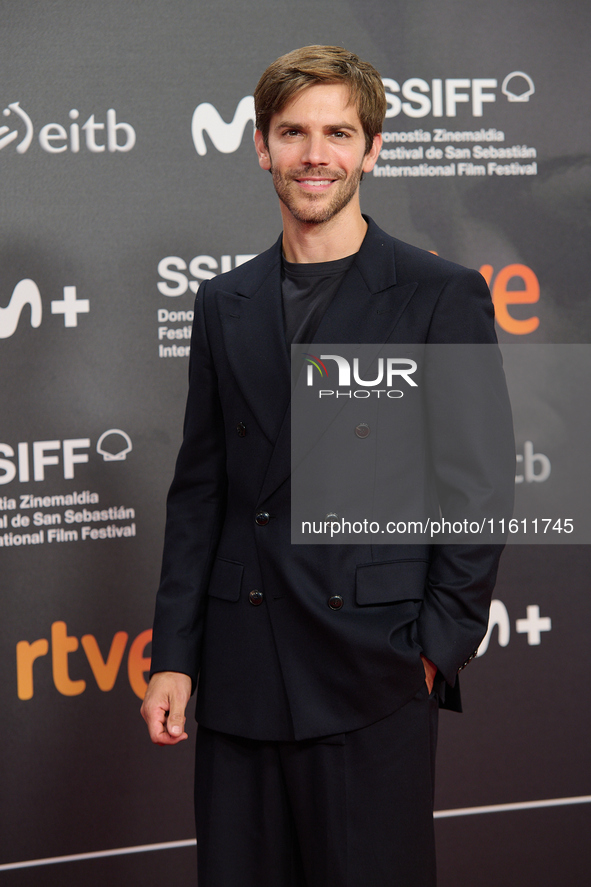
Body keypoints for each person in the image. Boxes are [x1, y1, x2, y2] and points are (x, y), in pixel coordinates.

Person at [141, 45, 514, 887]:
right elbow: (201, 489)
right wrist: (174, 655)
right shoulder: (222, 301)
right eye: (293, 131)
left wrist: (434, 644)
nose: (316, 154)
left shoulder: (436, 293)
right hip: (239, 665)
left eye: (338, 132)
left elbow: (478, 483)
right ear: (262, 145)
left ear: (371, 148)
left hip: (371, 665)